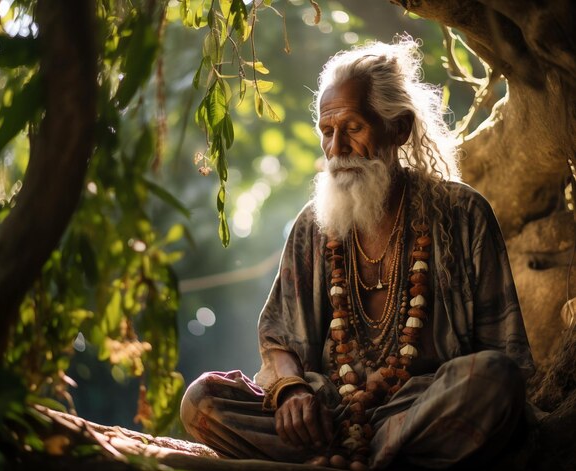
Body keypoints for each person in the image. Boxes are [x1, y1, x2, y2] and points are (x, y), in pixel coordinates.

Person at [180, 38, 533, 470]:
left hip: (422, 410)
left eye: (353, 127)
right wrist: (291, 390)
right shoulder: (314, 225)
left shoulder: (462, 213)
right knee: (202, 401)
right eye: (327, 133)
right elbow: (278, 339)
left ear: (398, 128)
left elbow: (507, 360)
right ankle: (368, 457)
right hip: (326, 417)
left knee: (493, 381)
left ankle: (356, 458)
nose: (337, 149)